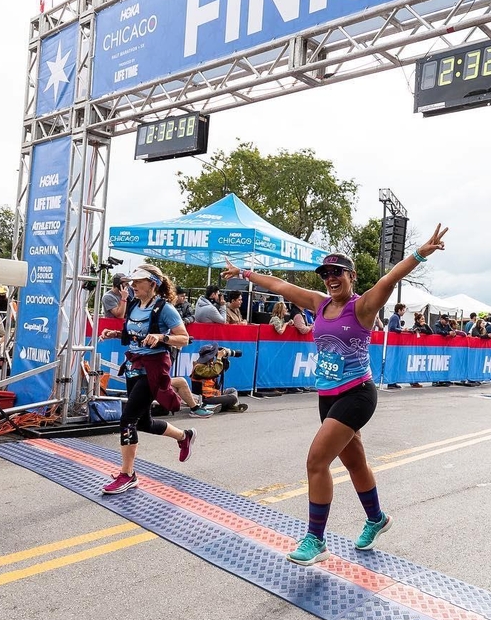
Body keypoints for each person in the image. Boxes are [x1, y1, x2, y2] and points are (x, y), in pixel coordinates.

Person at [221, 224, 448, 566]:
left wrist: (420, 252)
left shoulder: (363, 307)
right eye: (326, 273)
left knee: (316, 461)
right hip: (326, 395)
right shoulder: (318, 303)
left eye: (337, 272)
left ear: (351, 276)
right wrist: (245, 273)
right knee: (354, 462)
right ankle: (377, 519)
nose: (330, 278)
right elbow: (281, 286)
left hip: (357, 395)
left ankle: (316, 539)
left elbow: (388, 280)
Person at [96, 265, 196, 494]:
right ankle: (184, 436)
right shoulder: (133, 304)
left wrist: (162, 336)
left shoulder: (166, 309)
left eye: (137, 281)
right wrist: (114, 334)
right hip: (133, 365)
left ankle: (127, 474)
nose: (132, 285)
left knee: (127, 419)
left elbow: (184, 338)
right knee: (143, 422)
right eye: (131, 281)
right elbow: (132, 332)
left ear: (152, 283)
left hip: (153, 368)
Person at [386, 304, 406, 389]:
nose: (404, 311)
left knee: (394, 362)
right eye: (404, 310)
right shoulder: (395, 317)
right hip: (393, 344)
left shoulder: (396, 317)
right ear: (399, 310)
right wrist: (401, 330)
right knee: (393, 362)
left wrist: (401, 329)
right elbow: (392, 328)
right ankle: (391, 382)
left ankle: (393, 382)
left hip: (394, 343)